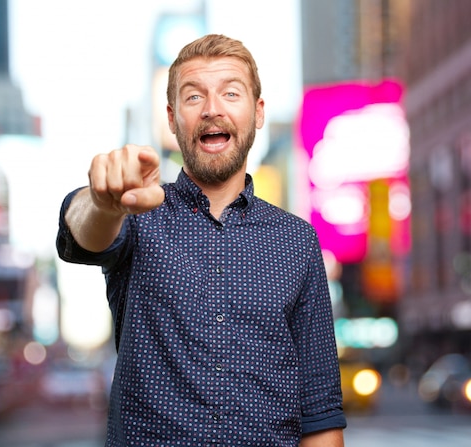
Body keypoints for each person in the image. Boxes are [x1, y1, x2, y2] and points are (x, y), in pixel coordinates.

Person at [56, 34, 346, 446]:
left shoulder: (297, 240)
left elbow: (320, 413)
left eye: (231, 93)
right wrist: (104, 202)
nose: (212, 109)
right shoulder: (138, 217)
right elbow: (81, 237)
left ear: (258, 112)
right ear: (172, 120)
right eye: (194, 98)